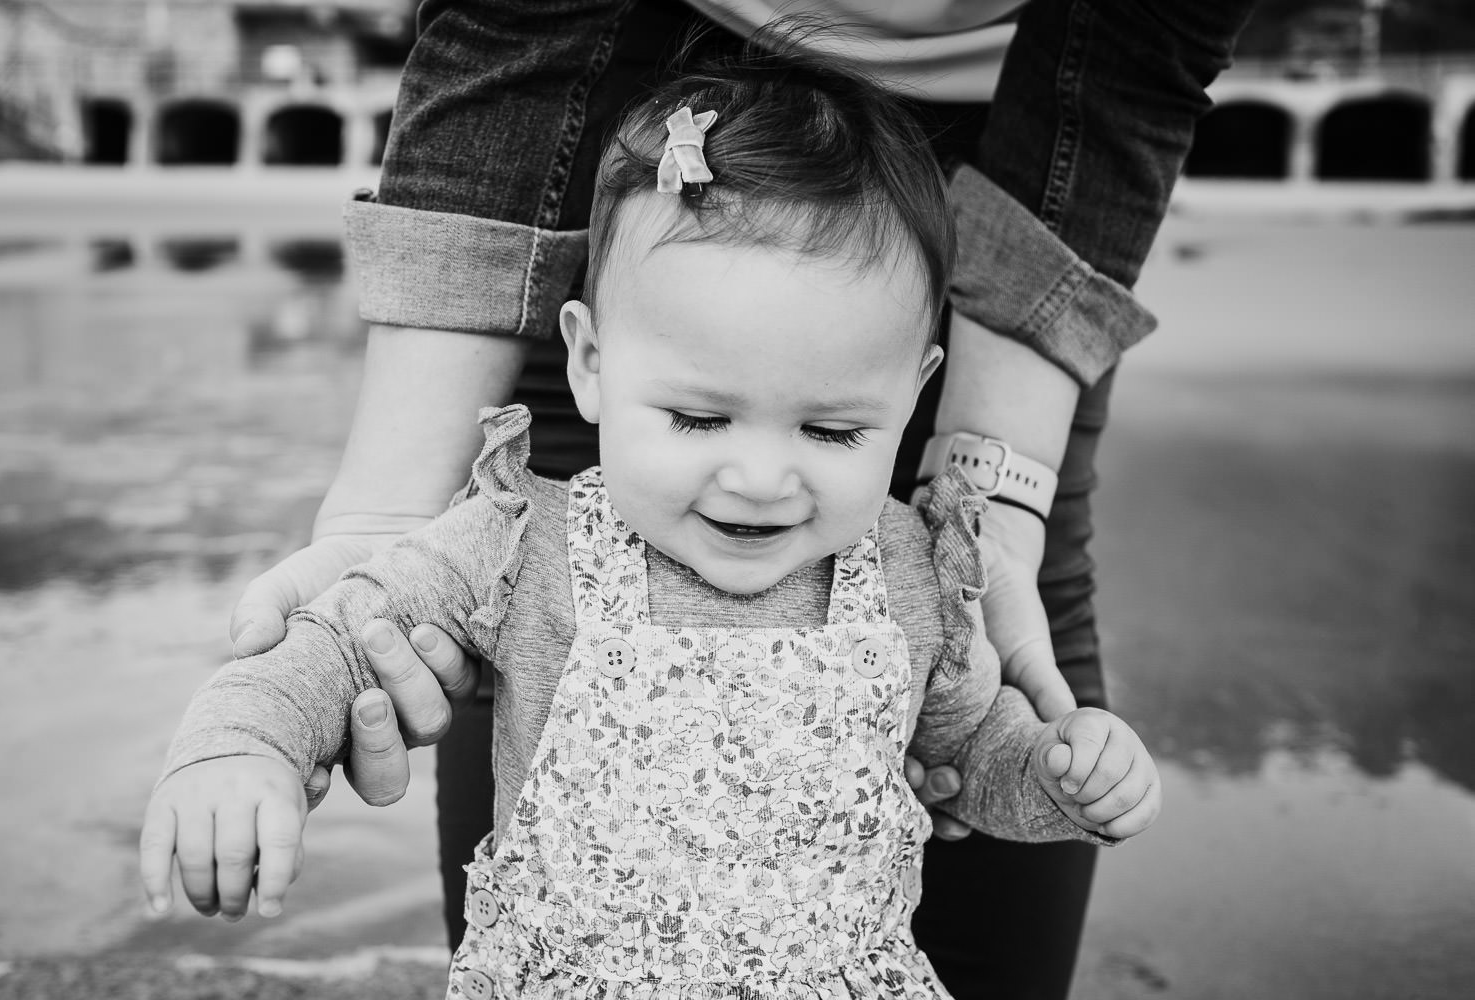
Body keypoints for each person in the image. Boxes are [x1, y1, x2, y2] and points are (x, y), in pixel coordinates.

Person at [223, 1, 1256, 996]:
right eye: (699, 419)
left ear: (916, 391)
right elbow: (347, 632)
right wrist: (246, 740)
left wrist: (1061, 774)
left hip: (1018, 130)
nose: (762, 478)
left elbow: (973, 750)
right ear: (586, 363)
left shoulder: (912, 574)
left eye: (833, 430)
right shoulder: (513, 541)